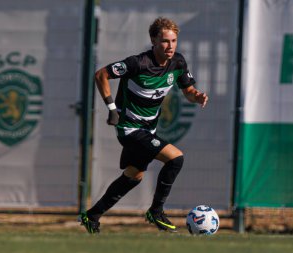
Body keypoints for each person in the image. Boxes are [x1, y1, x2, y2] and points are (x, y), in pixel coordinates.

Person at [80, 17, 208, 233]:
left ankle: (92, 216)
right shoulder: (138, 63)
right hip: (129, 129)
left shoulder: (177, 62)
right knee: (176, 158)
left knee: (134, 175)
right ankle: (156, 211)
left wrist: (197, 96)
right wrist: (111, 109)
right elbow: (101, 74)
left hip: (149, 129)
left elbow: (188, 91)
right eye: (165, 41)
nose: (170, 46)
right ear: (153, 40)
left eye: (174, 41)